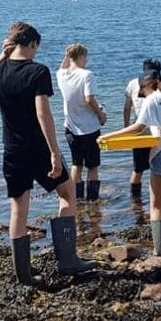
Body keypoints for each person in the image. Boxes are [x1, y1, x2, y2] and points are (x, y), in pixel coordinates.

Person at [0, 22, 97, 286]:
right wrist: (55, 153)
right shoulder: (38, 71)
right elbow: (42, 114)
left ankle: (24, 274)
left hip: (11, 150)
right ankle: (68, 259)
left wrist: (3, 52)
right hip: (37, 148)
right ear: (33, 44)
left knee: (18, 209)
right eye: (36, 48)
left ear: (11, 44)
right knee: (68, 193)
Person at [103, 72, 161, 258]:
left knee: (157, 207)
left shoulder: (152, 99)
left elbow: (138, 127)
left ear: (145, 86)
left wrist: (109, 136)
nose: (141, 95)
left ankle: (159, 254)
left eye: (141, 91)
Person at [57, 43, 107, 202]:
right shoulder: (87, 75)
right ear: (81, 57)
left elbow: (62, 67)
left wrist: (66, 56)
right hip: (89, 127)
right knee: (92, 166)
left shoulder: (61, 75)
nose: (87, 60)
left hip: (70, 127)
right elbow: (89, 99)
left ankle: (76, 199)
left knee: (76, 164)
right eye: (86, 57)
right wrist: (101, 114)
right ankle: (92, 200)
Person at [123, 59, 161, 200]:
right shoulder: (159, 85)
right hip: (157, 131)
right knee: (159, 169)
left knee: (137, 169)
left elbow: (127, 107)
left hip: (138, 130)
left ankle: (135, 200)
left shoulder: (132, 84)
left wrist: (126, 127)